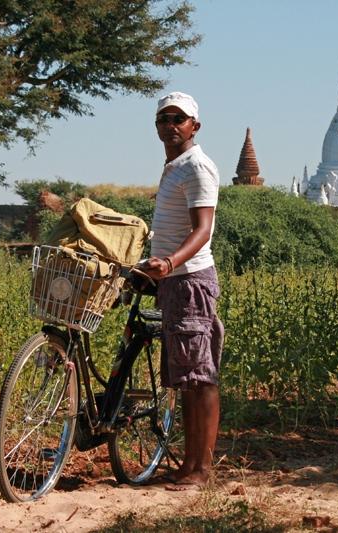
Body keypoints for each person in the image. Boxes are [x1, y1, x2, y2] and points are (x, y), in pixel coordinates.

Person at [141, 91, 224, 490]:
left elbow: (203, 229)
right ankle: (189, 464)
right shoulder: (174, 166)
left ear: (195, 125)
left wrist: (171, 262)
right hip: (173, 281)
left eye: (178, 119)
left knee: (199, 376)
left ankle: (201, 471)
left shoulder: (196, 167)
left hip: (189, 279)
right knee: (186, 380)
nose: (170, 125)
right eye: (163, 119)